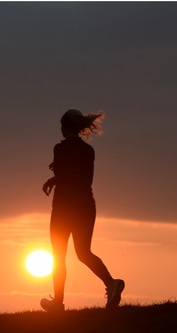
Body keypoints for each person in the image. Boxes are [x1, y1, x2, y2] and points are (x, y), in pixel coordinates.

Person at [40, 108, 124, 311]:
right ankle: (111, 284)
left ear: (64, 128)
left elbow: (65, 175)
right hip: (86, 204)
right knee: (84, 252)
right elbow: (82, 177)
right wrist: (57, 172)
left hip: (64, 207)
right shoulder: (88, 151)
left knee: (59, 255)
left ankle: (58, 303)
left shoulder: (59, 149)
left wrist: (54, 177)